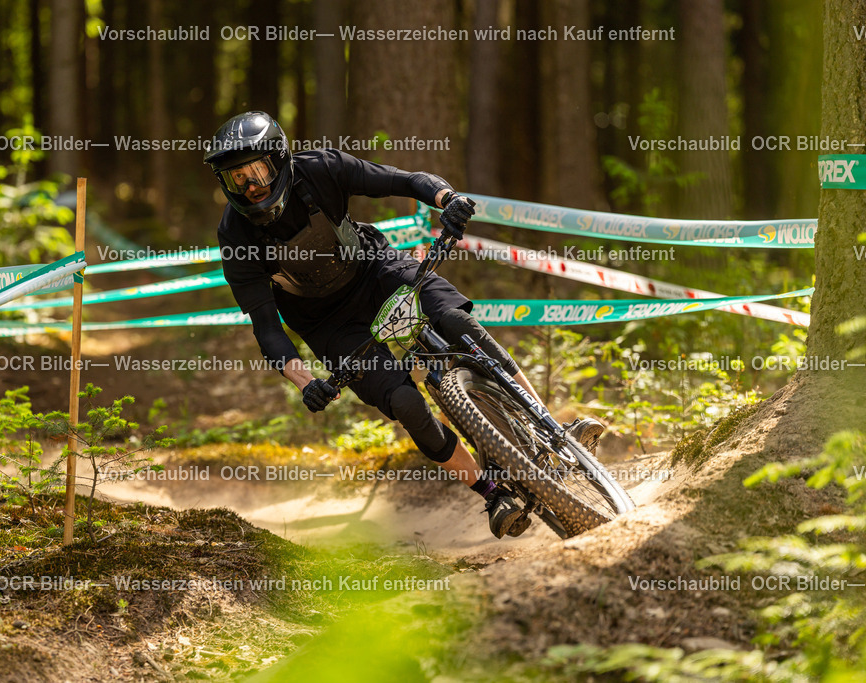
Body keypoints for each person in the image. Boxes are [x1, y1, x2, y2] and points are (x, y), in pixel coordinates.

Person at [204, 111, 604, 538]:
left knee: (456, 322)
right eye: (236, 179)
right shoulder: (235, 236)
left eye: (257, 172)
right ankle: (490, 493)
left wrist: (447, 200)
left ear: (279, 159)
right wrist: (306, 382)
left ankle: (551, 427)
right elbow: (267, 329)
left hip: (376, 270)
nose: (250, 187)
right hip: (328, 324)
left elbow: (405, 180)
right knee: (406, 403)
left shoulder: (321, 169)